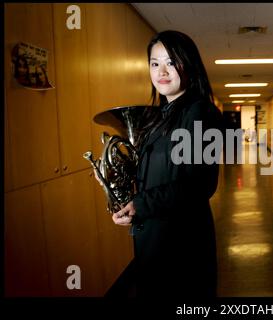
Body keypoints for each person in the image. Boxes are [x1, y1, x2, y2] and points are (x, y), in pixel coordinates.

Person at [102, 30, 224, 298]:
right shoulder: (161, 116)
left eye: (171, 62)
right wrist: (124, 201)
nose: (162, 71)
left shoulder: (200, 112)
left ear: (188, 64)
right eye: (155, 63)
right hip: (156, 239)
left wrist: (141, 203)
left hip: (181, 245)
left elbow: (200, 185)